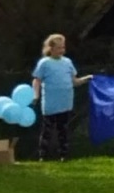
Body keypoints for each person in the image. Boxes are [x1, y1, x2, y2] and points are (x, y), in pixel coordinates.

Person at [31, 33, 92, 163]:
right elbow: (37, 80)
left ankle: (64, 156)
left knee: (63, 131)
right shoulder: (44, 63)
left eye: (63, 48)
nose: (61, 50)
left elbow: (74, 81)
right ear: (50, 48)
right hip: (50, 104)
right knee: (47, 131)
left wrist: (86, 79)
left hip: (65, 103)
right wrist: (35, 95)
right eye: (58, 48)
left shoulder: (67, 62)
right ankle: (43, 156)